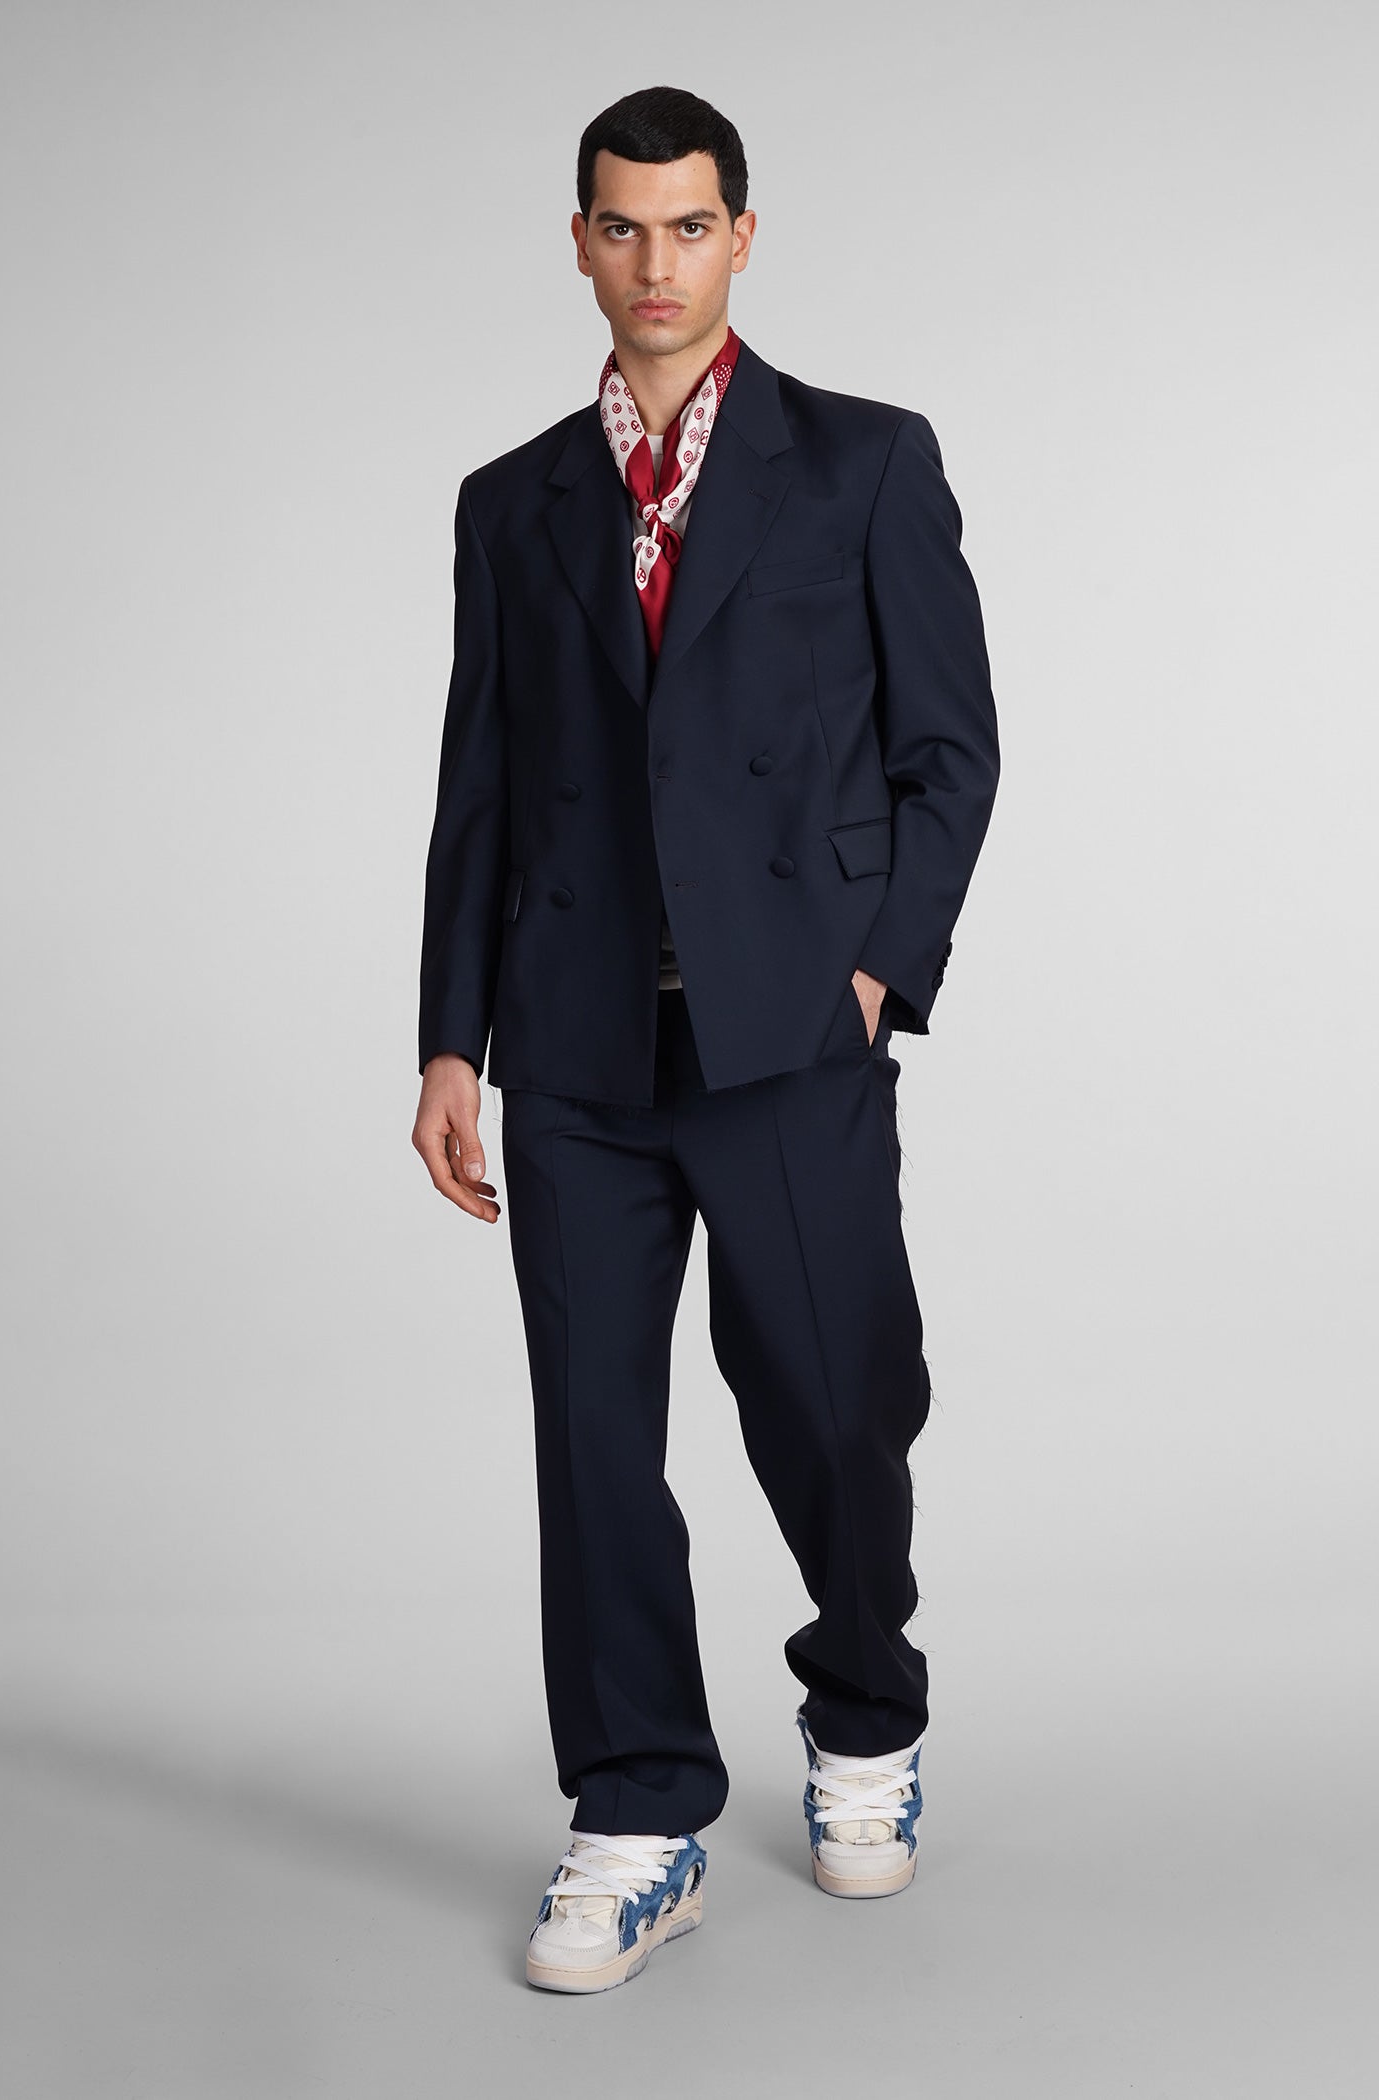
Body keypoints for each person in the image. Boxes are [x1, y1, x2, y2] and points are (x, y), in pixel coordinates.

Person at [412, 84, 1000, 1995]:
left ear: (743, 235)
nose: (655, 263)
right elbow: (481, 787)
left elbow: (950, 751)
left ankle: (867, 1706)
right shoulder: (511, 503)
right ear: (578, 244)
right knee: (592, 1437)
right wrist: (448, 1040)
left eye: (688, 226)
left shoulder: (866, 462)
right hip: (575, 1043)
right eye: (621, 227)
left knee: (834, 1405)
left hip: (786, 1032)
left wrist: (873, 974)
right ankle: (638, 1803)